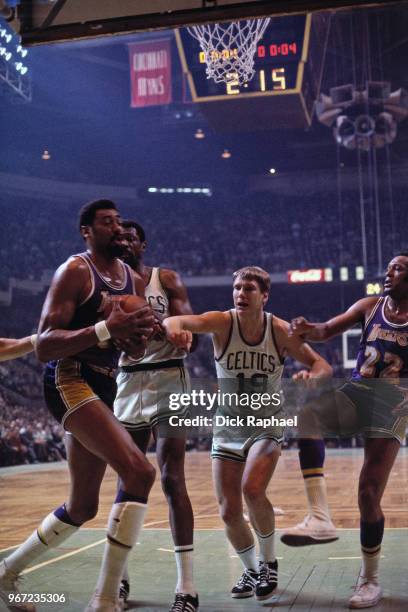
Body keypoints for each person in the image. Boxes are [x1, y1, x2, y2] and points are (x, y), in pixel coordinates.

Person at [0, 199, 157, 612]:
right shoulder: (74, 271)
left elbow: (133, 352)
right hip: (69, 377)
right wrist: (108, 327)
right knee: (140, 472)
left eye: (119, 222)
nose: (116, 228)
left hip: (107, 383)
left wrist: (141, 339)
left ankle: (5, 575)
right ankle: (105, 598)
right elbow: (45, 344)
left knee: (83, 505)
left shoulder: (135, 282)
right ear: (86, 230)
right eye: (106, 222)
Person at [163, 266, 332, 602]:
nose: (241, 293)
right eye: (237, 288)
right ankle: (252, 569)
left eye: (249, 289)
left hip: (267, 422)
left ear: (264, 296)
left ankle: (269, 563)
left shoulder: (279, 330)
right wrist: (175, 330)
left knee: (252, 489)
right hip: (228, 426)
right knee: (228, 510)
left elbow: (322, 366)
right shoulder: (222, 322)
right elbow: (176, 321)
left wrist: (311, 378)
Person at [282, 252, 408, 609]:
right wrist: (307, 329)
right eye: (388, 269)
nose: (389, 274)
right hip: (358, 392)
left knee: (368, 494)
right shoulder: (370, 305)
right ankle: (320, 517)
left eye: (397, 270)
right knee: (308, 415)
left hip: (392, 406)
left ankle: (369, 580)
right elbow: (325, 330)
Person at [114, 220, 198, 612]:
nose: (125, 241)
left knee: (171, 477)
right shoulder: (106, 286)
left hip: (169, 380)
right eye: (119, 236)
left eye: (131, 236)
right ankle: (120, 578)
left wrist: (180, 333)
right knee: (128, 480)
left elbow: (189, 326)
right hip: (127, 383)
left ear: (143, 244)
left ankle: (187, 586)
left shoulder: (165, 278)